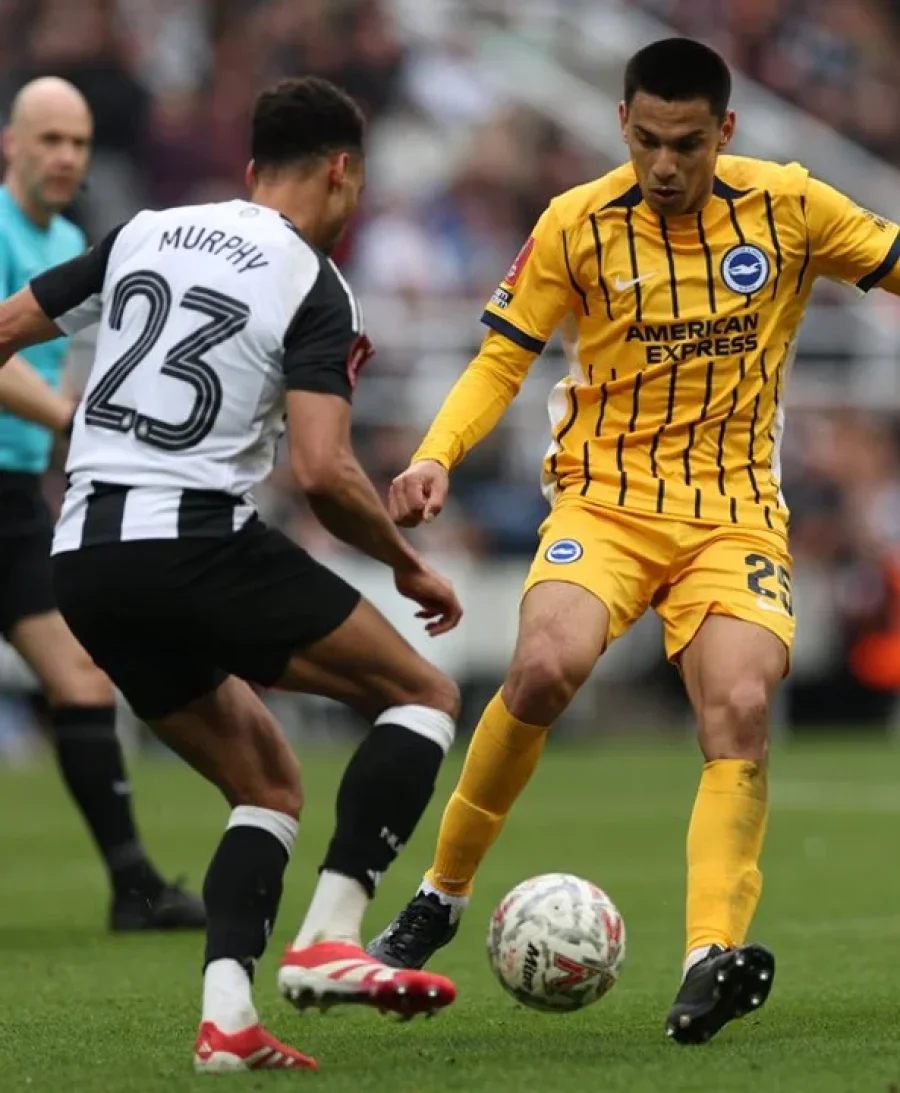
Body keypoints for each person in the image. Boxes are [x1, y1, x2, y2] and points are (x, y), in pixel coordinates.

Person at [367, 36, 900, 1045]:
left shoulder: (788, 205)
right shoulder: (576, 222)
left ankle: (708, 958)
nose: (665, 164)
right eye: (648, 140)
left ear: (724, 132)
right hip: (604, 504)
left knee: (739, 705)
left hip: (734, 510)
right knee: (539, 670)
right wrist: (436, 453)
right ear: (621, 124)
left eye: (688, 144)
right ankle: (440, 894)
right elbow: (499, 359)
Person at [0, 75, 464, 1073]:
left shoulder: (143, 231)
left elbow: (6, 329)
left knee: (267, 780)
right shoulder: (314, 282)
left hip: (82, 557)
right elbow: (323, 471)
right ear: (342, 173)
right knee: (421, 693)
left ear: (252, 170)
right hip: (193, 543)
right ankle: (333, 937)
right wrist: (408, 565)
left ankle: (227, 1022)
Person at [0, 76, 204, 931]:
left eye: (78, 143)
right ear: (11, 143)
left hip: (11, 498)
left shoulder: (75, 237)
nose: (65, 157)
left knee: (80, 681)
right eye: (49, 139)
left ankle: (131, 887)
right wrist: (75, 419)